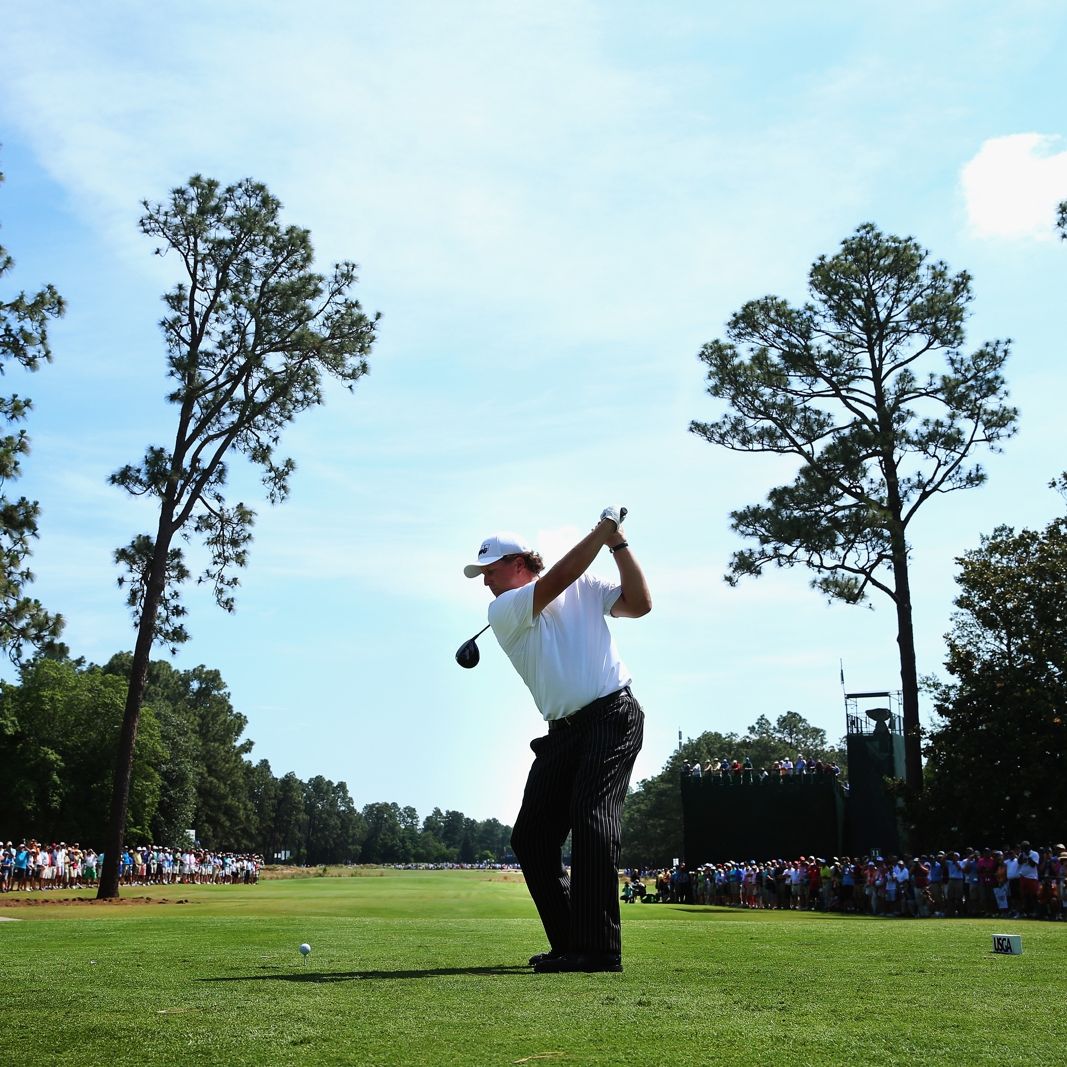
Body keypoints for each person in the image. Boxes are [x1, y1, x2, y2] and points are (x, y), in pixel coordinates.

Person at [463, 506, 651, 973]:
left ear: (518, 563)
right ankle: (571, 942)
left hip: (612, 716)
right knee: (531, 837)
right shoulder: (503, 609)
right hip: (562, 732)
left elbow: (639, 604)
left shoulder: (585, 586)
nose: (485, 582)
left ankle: (598, 950)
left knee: (592, 819)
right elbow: (560, 578)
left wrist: (618, 544)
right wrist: (602, 532)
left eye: (490, 571)